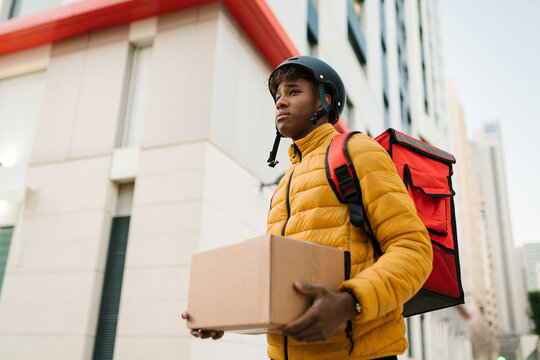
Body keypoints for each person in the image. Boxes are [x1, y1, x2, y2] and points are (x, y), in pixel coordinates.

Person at [184, 56, 432, 360]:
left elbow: (414, 250)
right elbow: (284, 288)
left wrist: (349, 302)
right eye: (277, 96)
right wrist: (226, 313)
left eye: (293, 92)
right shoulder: (284, 183)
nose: (281, 102)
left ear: (324, 101)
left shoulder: (357, 150)